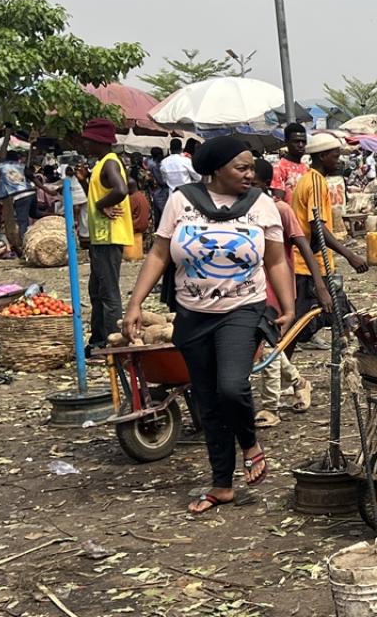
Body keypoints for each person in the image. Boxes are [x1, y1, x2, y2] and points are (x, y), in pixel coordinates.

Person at [122, 136, 295, 514]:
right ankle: (221, 485)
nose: (251, 174)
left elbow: (277, 261)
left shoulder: (262, 205)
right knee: (208, 401)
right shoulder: (181, 200)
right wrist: (134, 304)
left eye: (252, 167)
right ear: (216, 169)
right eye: (242, 168)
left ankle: (249, 443)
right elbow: (159, 253)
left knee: (232, 388)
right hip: (192, 314)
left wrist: (288, 305)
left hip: (243, 309)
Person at [252, 159, 328, 428]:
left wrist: (319, 284)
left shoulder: (280, 210)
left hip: (276, 287)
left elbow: (303, 245)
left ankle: (270, 406)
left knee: (269, 344)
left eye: (253, 183)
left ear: (264, 184)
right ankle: (299, 382)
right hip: (249, 289)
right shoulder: (237, 212)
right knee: (268, 344)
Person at [291, 132, 369, 348]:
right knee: (304, 320)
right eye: (335, 156)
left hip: (312, 263)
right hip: (308, 264)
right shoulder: (316, 182)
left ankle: (344, 353)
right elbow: (317, 227)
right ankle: (284, 369)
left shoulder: (311, 179)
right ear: (323, 156)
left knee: (341, 310)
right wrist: (350, 254)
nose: (339, 161)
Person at [81, 119, 132, 350]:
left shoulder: (109, 163)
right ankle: (98, 339)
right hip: (100, 237)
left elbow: (122, 189)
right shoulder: (103, 163)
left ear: (97, 141)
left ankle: (113, 342)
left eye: (87, 140)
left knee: (109, 292)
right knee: (97, 290)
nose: (84, 144)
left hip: (108, 236)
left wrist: (102, 205)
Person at [0, 149, 36, 244]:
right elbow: (31, 176)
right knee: (34, 214)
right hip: (30, 192)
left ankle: (24, 242)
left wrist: (0, 159)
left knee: (22, 221)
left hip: (20, 195)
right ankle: (56, 216)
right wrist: (46, 190)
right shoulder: (21, 166)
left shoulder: (2, 166)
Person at [271, 124, 310, 204]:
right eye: (296, 141)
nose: (300, 145)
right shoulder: (278, 168)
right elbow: (279, 202)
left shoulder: (306, 168)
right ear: (286, 142)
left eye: (303, 141)